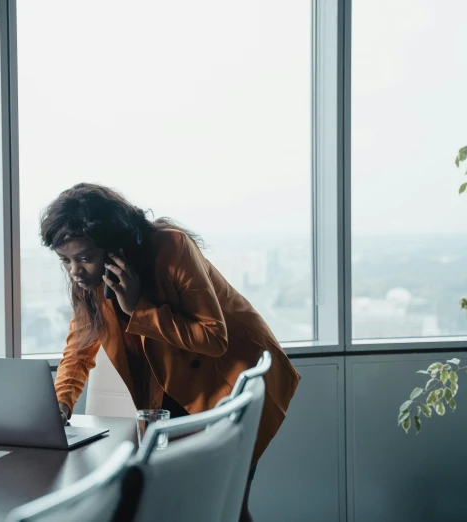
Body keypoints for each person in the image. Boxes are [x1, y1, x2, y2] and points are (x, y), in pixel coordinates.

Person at [42, 183, 301, 522]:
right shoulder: (89, 285)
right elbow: (78, 349)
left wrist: (138, 309)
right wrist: (61, 402)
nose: (75, 271)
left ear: (115, 248)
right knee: (176, 505)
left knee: (228, 505)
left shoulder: (171, 247)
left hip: (230, 383)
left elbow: (213, 336)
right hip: (167, 399)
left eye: (85, 258)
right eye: (65, 260)